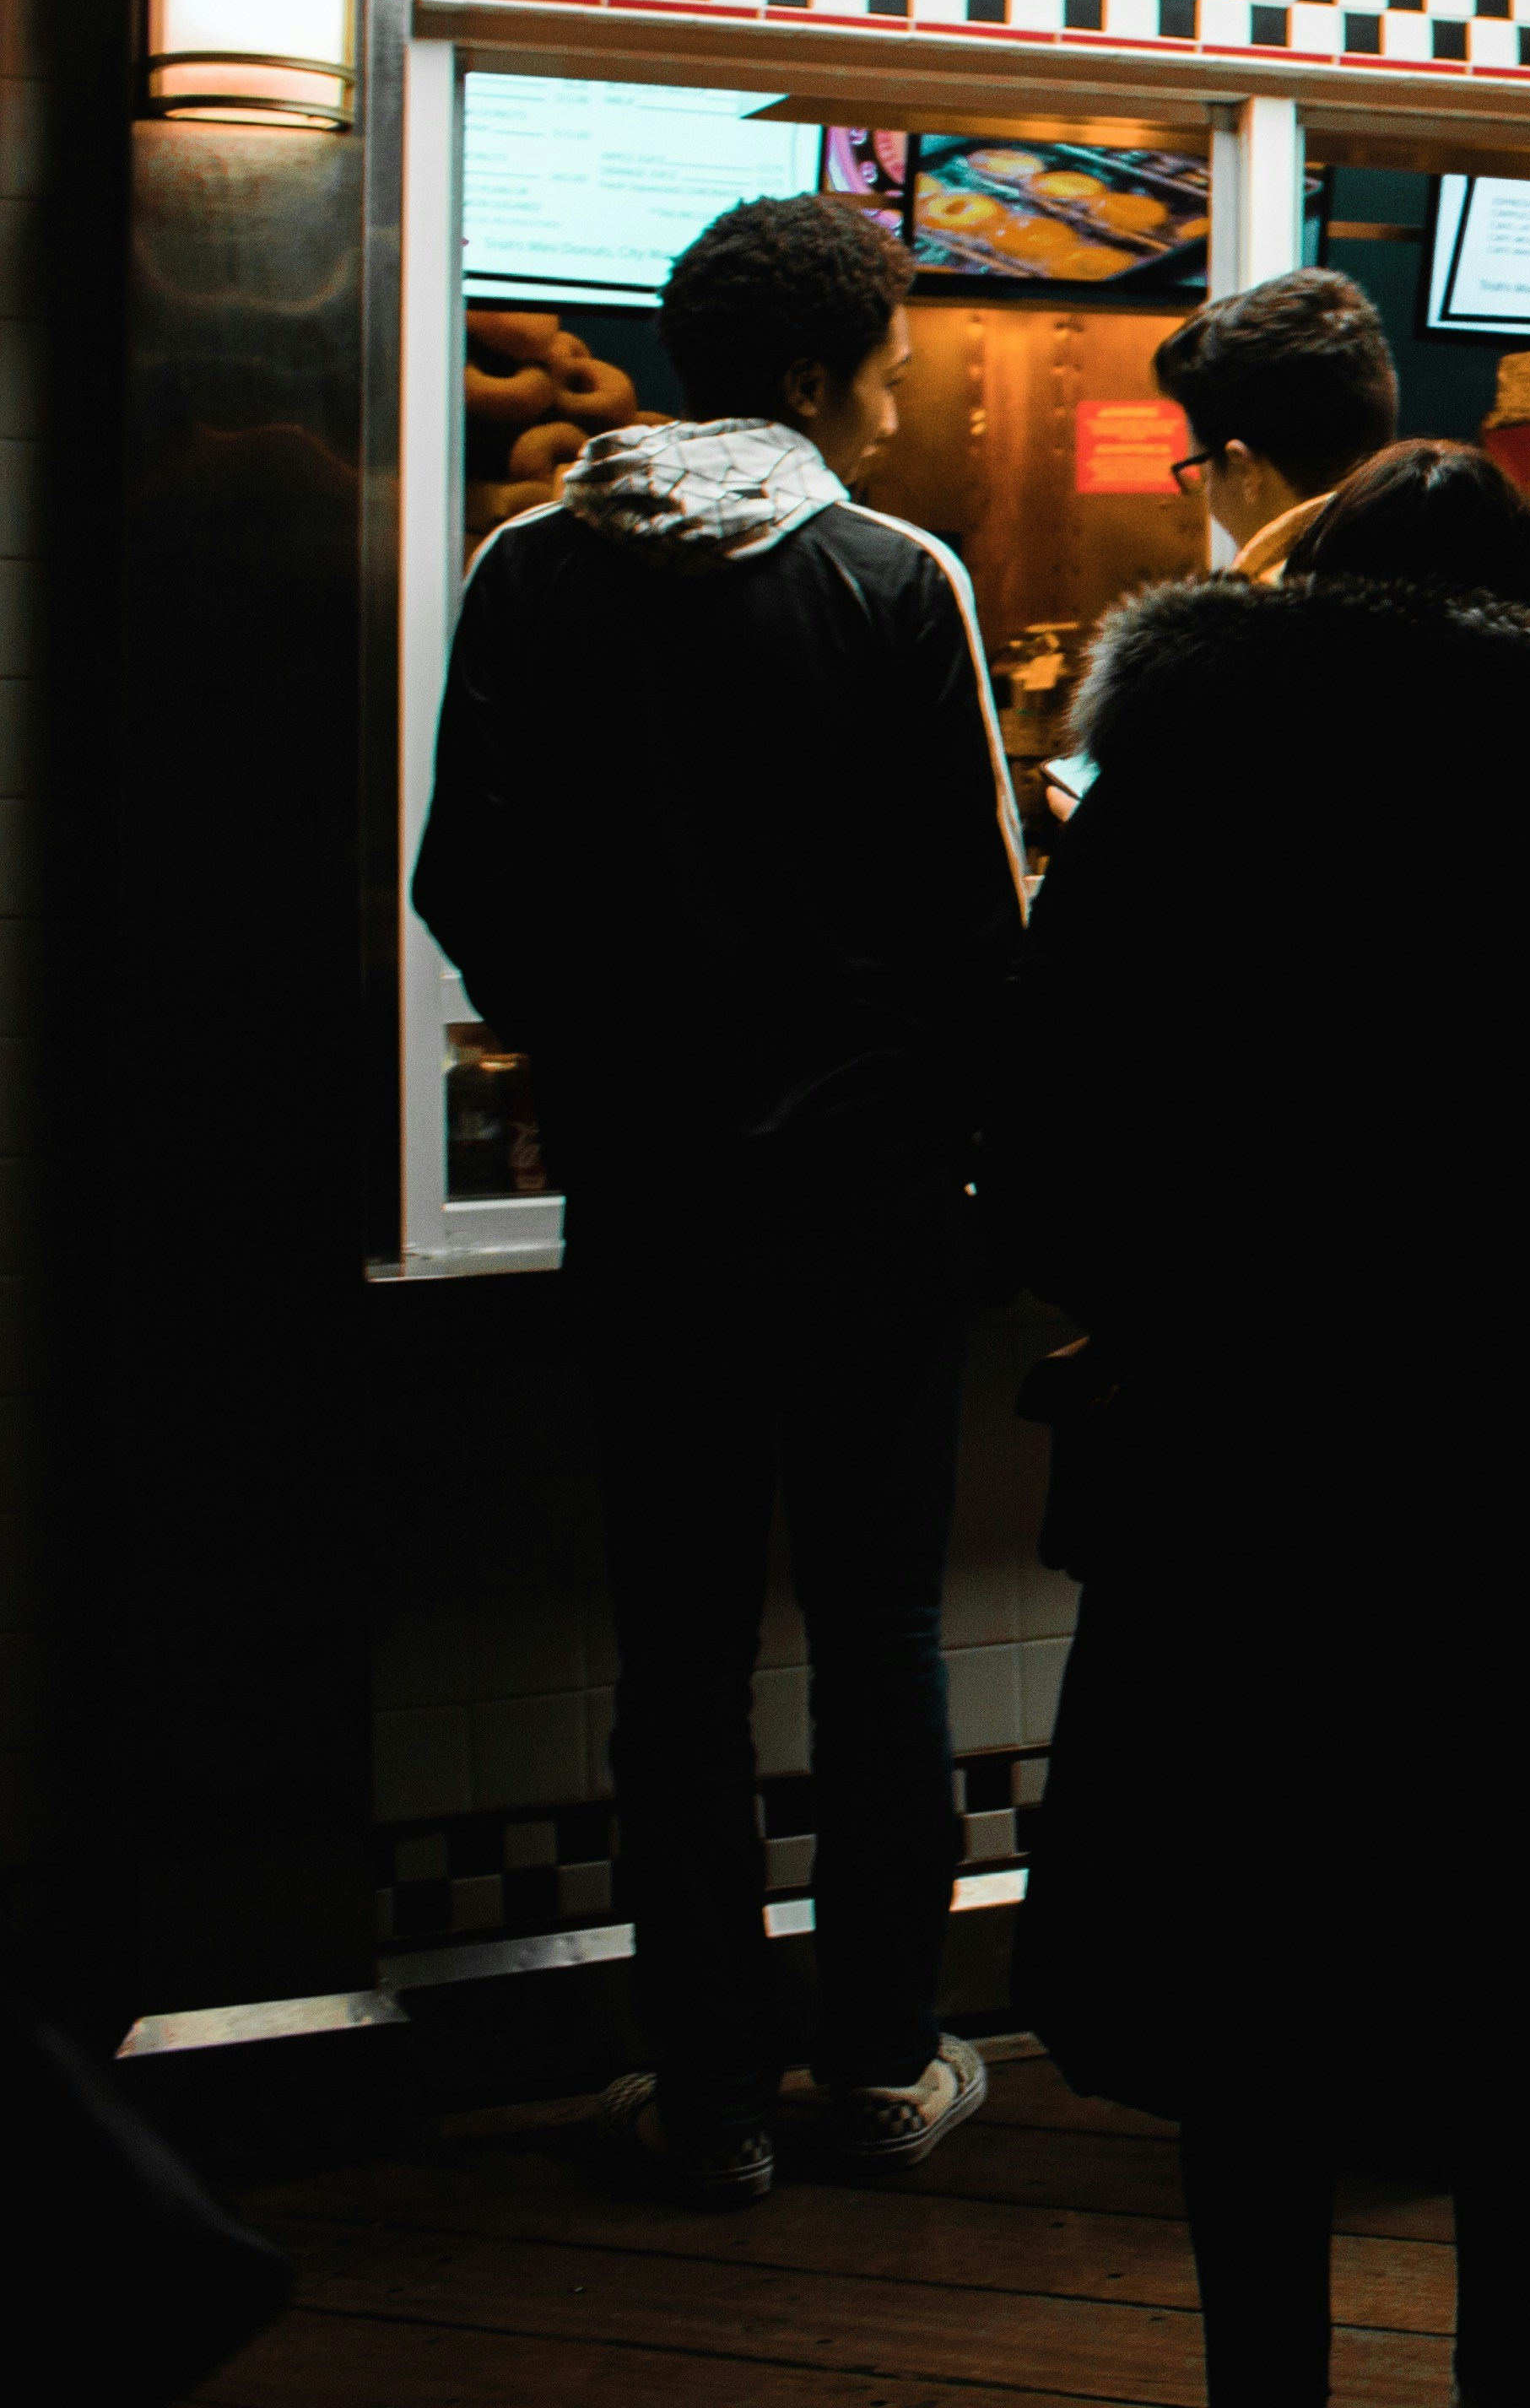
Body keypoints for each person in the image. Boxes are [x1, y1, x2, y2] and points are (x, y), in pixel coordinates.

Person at [1015, 438, 1530, 2407]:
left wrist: (1170, 1310)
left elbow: (1046, 1133)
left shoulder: (1172, 779)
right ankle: (1510, 2377)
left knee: (1257, 1995)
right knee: (1518, 1976)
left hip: (1241, 1473)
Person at [411, 196, 1024, 2205]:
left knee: (677, 1650)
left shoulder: (528, 568)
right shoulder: (888, 572)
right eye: (886, 356)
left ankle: (710, 2096)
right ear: (806, 377)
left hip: (650, 1203)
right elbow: (976, 924)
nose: (904, 384)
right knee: (875, 1632)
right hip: (868, 1205)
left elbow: (461, 886)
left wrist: (594, 1049)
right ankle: (872, 2064)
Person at [1154, 266, 1407, 580]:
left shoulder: (1236, 627)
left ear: (1245, 468)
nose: (1206, 499)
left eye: (1201, 473)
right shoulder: (1468, 578)